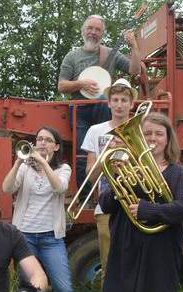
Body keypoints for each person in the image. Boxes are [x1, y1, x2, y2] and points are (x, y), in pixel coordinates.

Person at [99, 112, 183, 292]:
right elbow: (106, 204)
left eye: (159, 134)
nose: (153, 138)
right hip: (128, 247)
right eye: (147, 133)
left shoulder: (177, 172)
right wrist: (119, 179)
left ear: (168, 139)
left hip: (161, 250)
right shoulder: (125, 166)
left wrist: (148, 210)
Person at [58, 14, 142, 183]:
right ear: (83, 31)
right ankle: (85, 197)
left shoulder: (110, 53)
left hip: (104, 107)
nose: (93, 32)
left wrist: (133, 45)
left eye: (97, 30)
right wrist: (81, 84)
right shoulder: (72, 56)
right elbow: (62, 86)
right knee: (82, 155)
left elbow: (134, 70)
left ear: (102, 34)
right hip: (80, 109)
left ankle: (110, 187)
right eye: (90, 28)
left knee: (109, 149)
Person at [80, 78, 137, 292]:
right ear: (109, 103)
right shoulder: (96, 131)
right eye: (115, 100)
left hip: (136, 203)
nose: (120, 104)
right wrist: (107, 156)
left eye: (124, 100)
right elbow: (90, 174)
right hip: (107, 204)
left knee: (136, 259)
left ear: (132, 103)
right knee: (109, 260)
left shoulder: (139, 129)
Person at [3, 127, 74, 292]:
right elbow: (7, 188)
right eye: (39, 139)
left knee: (64, 291)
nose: (42, 142)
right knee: (30, 289)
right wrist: (18, 163)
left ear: (56, 147)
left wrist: (43, 163)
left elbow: (60, 188)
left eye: (48, 140)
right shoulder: (25, 168)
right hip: (25, 236)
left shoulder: (63, 168)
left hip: (52, 238)